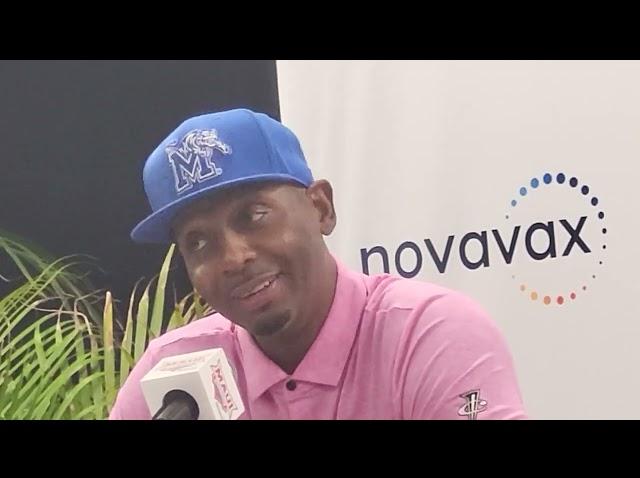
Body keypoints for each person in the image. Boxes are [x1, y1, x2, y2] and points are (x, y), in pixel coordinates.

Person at [109, 108, 527, 420]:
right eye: (198, 241)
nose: (234, 258)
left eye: (254, 216)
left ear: (320, 207)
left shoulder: (431, 335)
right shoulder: (171, 374)